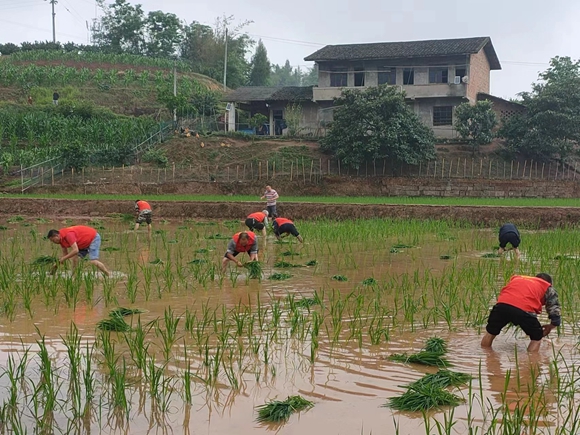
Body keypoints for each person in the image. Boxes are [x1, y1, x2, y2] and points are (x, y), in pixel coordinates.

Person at [481, 273, 561, 352]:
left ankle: (485, 354)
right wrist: (552, 325)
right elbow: (554, 307)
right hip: (524, 309)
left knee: (491, 331)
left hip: (502, 305)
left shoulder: (518, 278)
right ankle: (531, 361)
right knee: (537, 337)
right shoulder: (547, 286)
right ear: (549, 283)